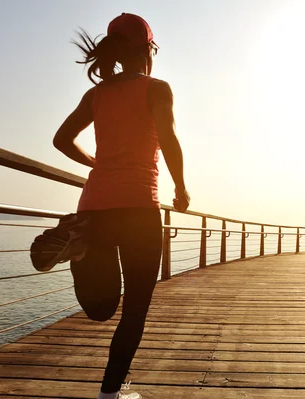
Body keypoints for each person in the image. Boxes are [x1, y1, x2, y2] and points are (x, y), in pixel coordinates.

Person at [52, 13, 190, 399]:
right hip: (138, 208)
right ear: (148, 49)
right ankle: (109, 394)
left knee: (101, 308)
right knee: (133, 311)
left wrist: (95, 163)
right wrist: (181, 189)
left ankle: (77, 249)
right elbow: (170, 141)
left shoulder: (96, 94)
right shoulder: (157, 88)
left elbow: (62, 139)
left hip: (94, 207)